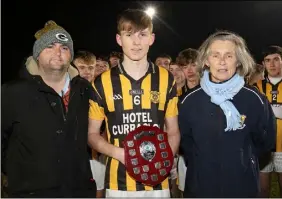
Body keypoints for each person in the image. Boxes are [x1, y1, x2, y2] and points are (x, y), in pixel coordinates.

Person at [88, 8, 180, 197]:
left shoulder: (166, 79)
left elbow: (173, 131)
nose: (136, 42)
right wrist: (121, 154)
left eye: (142, 34)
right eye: (129, 35)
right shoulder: (102, 82)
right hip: (118, 183)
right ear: (119, 39)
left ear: (151, 39)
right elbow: (91, 134)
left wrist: (162, 162)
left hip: (158, 184)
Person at [1, 20, 96, 197]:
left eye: (64, 47)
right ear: (37, 53)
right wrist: (18, 172)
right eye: (50, 46)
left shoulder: (86, 91)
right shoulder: (11, 93)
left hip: (78, 191)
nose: (58, 52)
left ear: (71, 56)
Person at [178, 30, 276, 197]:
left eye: (229, 56)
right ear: (206, 61)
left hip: (243, 187)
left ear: (238, 61)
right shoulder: (189, 100)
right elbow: (185, 143)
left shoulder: (255, 99)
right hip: (200, 188)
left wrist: (243, 161)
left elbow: (265, 142)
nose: (222, 61)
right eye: (215, 55)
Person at [73, 50, 106, 198]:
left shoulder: (100, 92)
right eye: (82, 67)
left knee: (98, 190)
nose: (87, 71)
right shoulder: (66, 92)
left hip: (96, 154)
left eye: (91, 67)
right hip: (72, 154)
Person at [255, 45, 282, 198]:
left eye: (276, 60)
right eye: (268, 60)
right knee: (262, 191)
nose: (272, 64)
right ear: (263, 64)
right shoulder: (256, 87)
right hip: (263, 147)